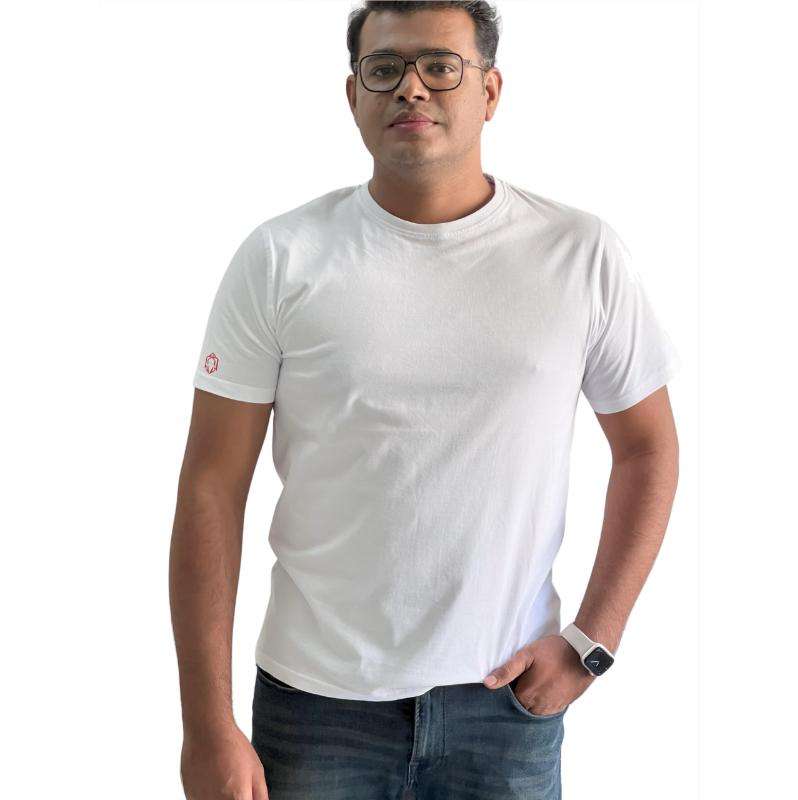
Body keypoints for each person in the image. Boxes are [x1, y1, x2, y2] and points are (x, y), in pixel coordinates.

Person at [169, 2, 682, 798]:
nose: (412, 88)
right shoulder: (281, 257)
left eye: (440, 66)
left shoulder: (579, 254)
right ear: (353, 96)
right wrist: (206, 727)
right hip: (316, 708)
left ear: (490, 90)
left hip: (506, 703)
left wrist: (593, 641)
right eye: (385, 68)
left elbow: (647, 448)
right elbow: (211, 485)